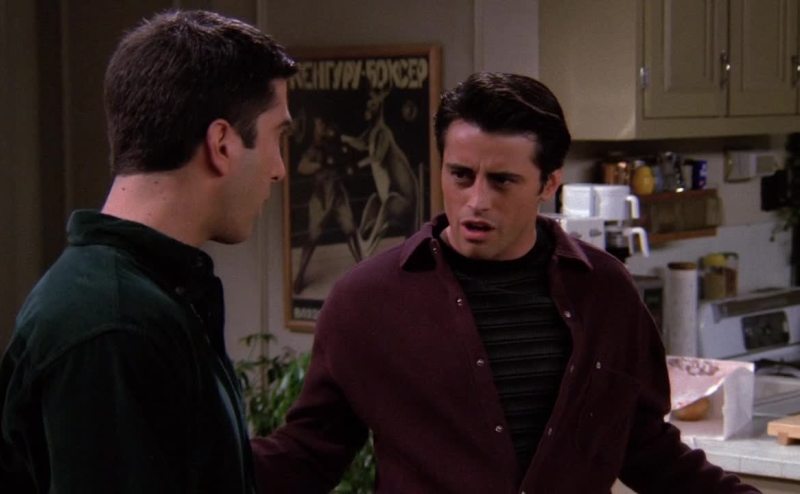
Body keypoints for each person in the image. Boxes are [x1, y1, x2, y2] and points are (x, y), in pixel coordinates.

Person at [250, 73, 759, 493]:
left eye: (502, 181)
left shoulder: (604, 290)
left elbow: (644, 446)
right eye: (461, 175)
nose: (477, 200)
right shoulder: (368, 301)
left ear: (549, 183)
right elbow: (309, 452)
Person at [0, 10, 295, 493]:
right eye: (277, 137)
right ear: (222, 143)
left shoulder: (151, 298)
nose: (279, 169)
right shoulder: (113, 325)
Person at [293, 117, 363, 295]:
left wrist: (346, 160)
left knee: (350, 229)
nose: (322, 129)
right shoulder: (314, 150)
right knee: (312, 236)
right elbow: (302, 167)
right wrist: (321, 164)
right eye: (319, 126)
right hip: (321, 196)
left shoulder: (336, 143)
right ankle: (300, 276)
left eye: (323, 125)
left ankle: (363, 268)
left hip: (337, 194)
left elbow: (355, 151)